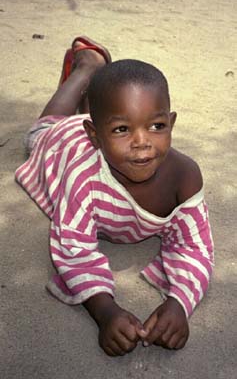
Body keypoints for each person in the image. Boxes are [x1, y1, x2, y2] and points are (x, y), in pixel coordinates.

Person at [15, 35, 214, 357]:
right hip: (61, 145)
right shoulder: (84, 181)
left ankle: (102, 104)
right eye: (123, 130)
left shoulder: (185, 176)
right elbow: (73, 248)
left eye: (157, 125)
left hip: (95, 127)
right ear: (94, 136)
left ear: (171, 123)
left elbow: (194, 245)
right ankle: (87, 67)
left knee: (110, 110)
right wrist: (104, 310)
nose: (142, 142)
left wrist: (180, 303)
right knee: (42, 129)